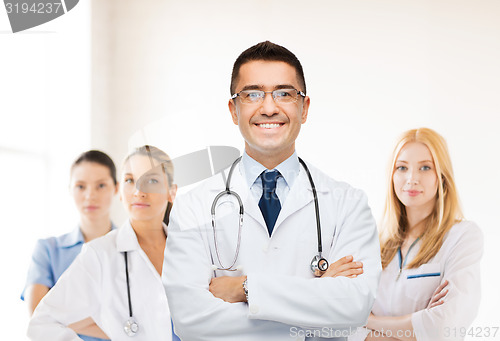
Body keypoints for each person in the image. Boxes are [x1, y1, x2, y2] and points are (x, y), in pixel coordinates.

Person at [163, 41, 381, 340]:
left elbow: (353, 309)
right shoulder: (193, 208)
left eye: (284, 94)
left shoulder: (348, 204)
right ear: (233, 109)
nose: (268, 108)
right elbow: (190, 320)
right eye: (252, 94)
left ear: (303, 108)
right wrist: (316, 303)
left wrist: (245, 288)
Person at [28, 145, 179, 340]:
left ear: (171, 192)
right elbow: (42, 322)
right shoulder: (99, 253)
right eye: (130, 180)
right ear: (121, 190)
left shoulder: (192, 248)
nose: (139, 191)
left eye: (152, 180)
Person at [354, 128, 483, 341]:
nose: (412, 178)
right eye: (402, 167)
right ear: (392, 175)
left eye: (425, 167)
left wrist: (369, 321)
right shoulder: (371, 242)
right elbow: (341, 325)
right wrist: (419, 323)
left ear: (442, 177)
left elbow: (444, 327)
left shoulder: (462, 237)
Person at [22, 150, 118, 341]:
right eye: (81, 186)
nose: (90, 195)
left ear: (116, 188)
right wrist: (119, 327)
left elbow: (148, 323)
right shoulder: (48, 250)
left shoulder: (134, 249)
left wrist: (61, 318)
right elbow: (37, 317)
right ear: (70, 189)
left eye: (101, 185)